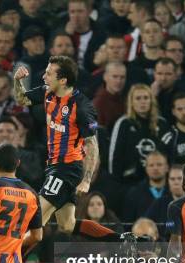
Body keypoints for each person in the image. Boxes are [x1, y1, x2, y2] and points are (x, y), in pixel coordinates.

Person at [14, 56, 142, 250]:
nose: (44, 76)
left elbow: (92, 144)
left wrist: (87, 179)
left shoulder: (82, 107)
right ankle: (122, 239)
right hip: (54, 166)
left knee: (35, 221)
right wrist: (17, 81)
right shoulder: (47, 92)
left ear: (63, 80)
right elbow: (22, 99)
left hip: (67, 169)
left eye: (49, 73)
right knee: (67, 225)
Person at [109, 83, 171, 185]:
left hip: (159, 181)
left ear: (151, 101)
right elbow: (115, 157)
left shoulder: (162, 123)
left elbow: (168, 153)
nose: (142, 102)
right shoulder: (124, 123)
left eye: (146, 98)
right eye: (138, 98)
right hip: (130, 182)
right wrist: (115, 183)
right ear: (131, 102)